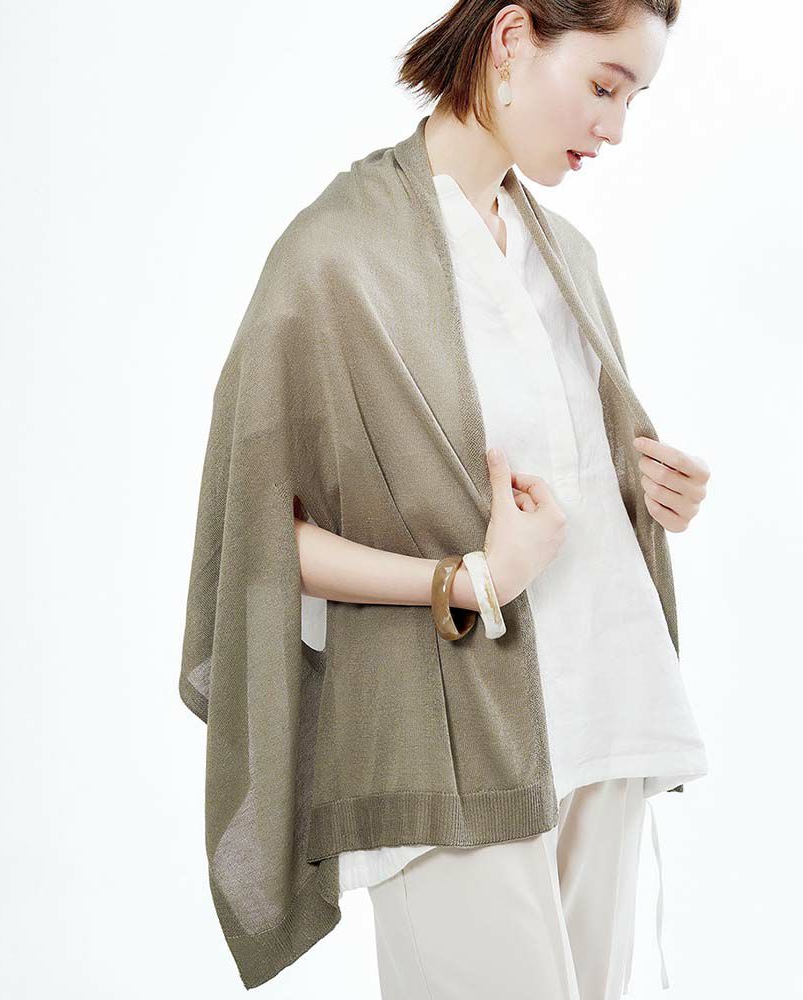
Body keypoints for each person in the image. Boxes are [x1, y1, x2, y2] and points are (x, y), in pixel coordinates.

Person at [289, 2, 712, 997]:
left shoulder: (566, 258)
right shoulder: (342, 253)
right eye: (604, 86)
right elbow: (263, 534)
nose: (615, 128)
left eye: (635, 100)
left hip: (605, 712)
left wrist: (658, 492)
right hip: (448, 740)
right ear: (513, 38)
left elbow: (573, 475)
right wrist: (470, 577)